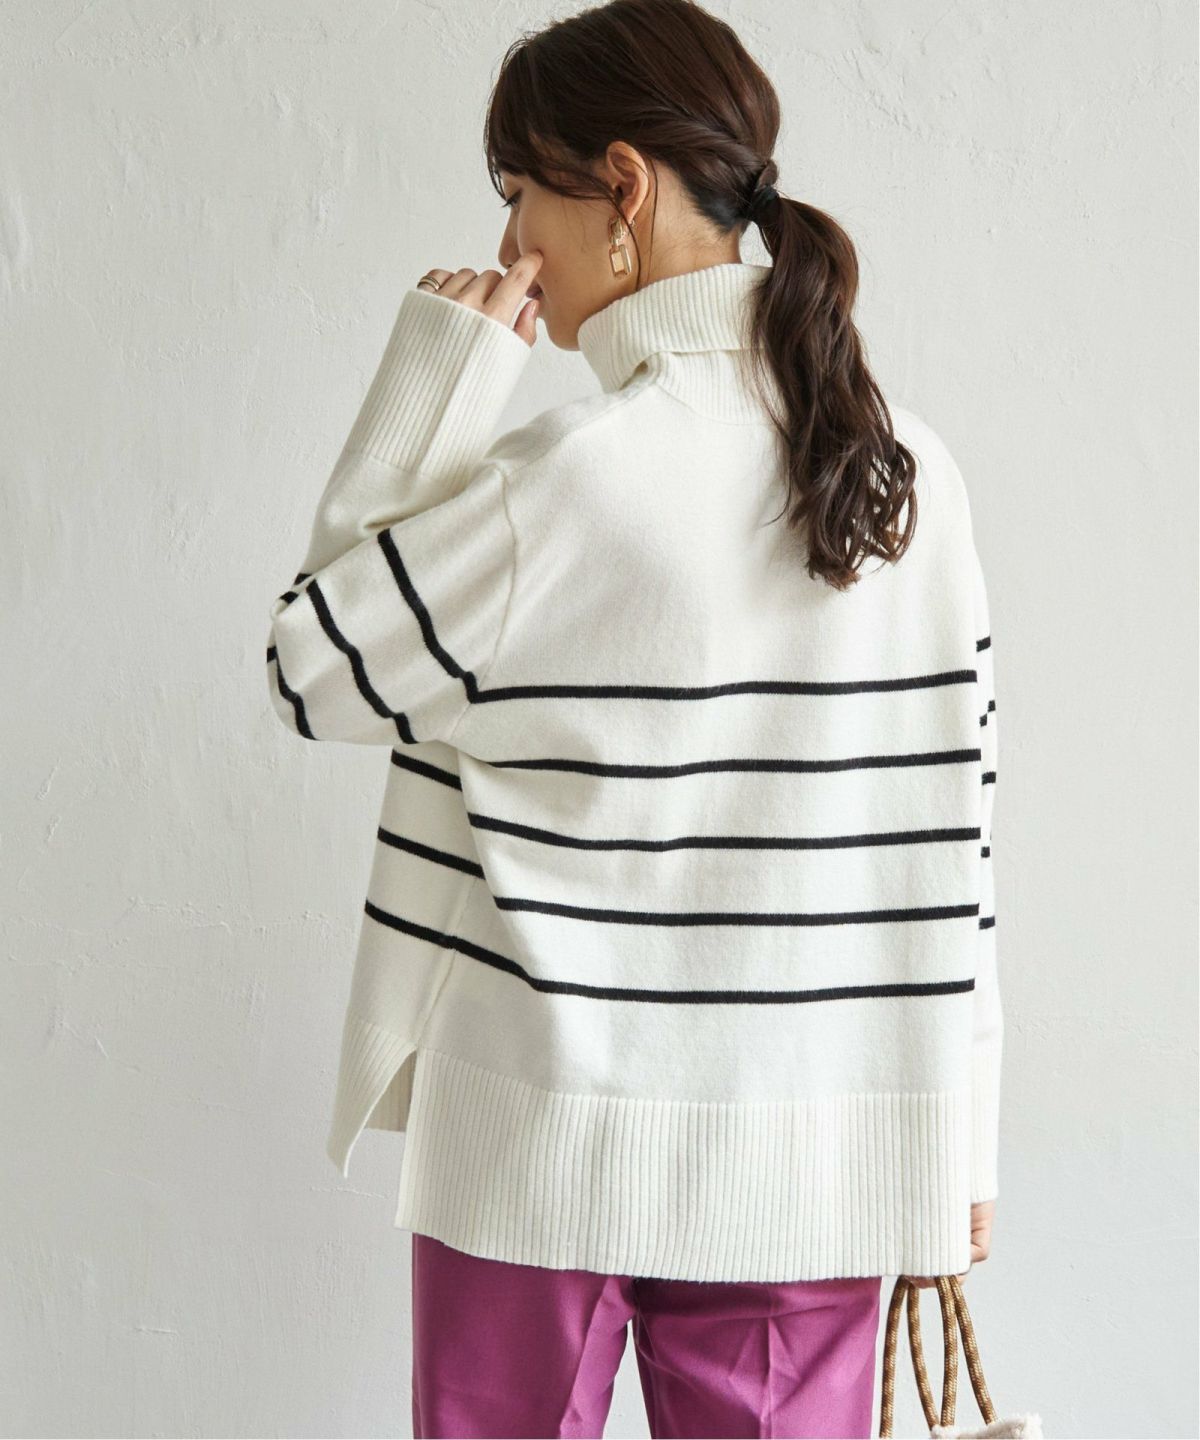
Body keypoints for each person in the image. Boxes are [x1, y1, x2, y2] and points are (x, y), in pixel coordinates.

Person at [265, 0, 1004, 1434]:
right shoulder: (906, 473)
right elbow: (958, 838)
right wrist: (960, 1144)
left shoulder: (566, 479)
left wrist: (439, 376)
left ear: (620, 186)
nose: (509, 243)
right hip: (816, 1150)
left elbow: (311, 666)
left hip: (534, 1127)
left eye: (518, 192)